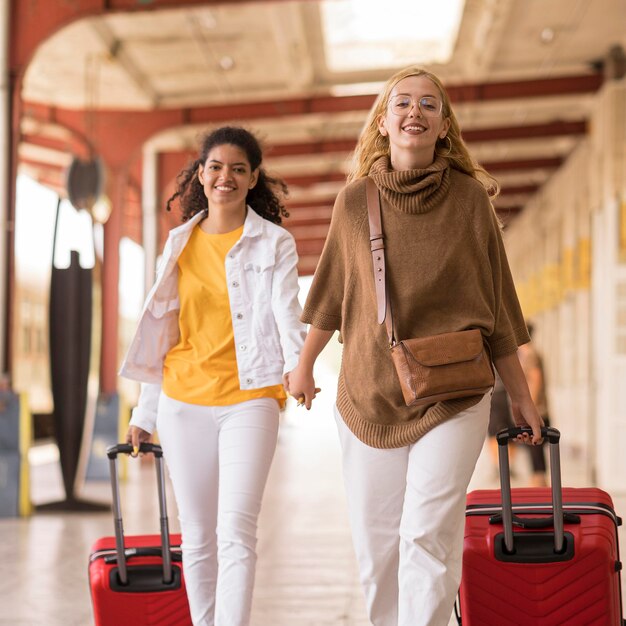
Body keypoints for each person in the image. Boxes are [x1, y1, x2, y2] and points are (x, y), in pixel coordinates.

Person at [286, 66, 544, 626]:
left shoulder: (471, 201)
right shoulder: (354, 203)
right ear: (383, 122)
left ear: (444, 128)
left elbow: (499, 306)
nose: (415, 113)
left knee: (427, 533)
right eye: (402, 103)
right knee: (379, 550)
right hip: (370, 394)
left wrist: (521, 393)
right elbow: (329, 294)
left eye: (430, 105)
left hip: (456, 393)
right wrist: (303, 366)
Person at [120, 126, 306, 626]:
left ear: (253, 179)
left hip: (252, 396)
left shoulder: (274, 243)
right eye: (216, 167)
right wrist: (145, 412)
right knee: (197, 535)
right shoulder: (179, 243)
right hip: (183, 400)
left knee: (237, 529)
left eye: (238, 169)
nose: (226, 177)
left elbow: (288, 311)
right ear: (201, 175)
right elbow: (161, 331)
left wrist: (299, 366)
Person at [518, 321, 550, 487]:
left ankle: (539, 480)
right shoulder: (529, 354)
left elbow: (536, 379)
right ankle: (538, 478)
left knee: (535, 444)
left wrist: (531, 406)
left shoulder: (530, 355)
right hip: (537, 407)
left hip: (537, 408)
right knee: (533, 445)